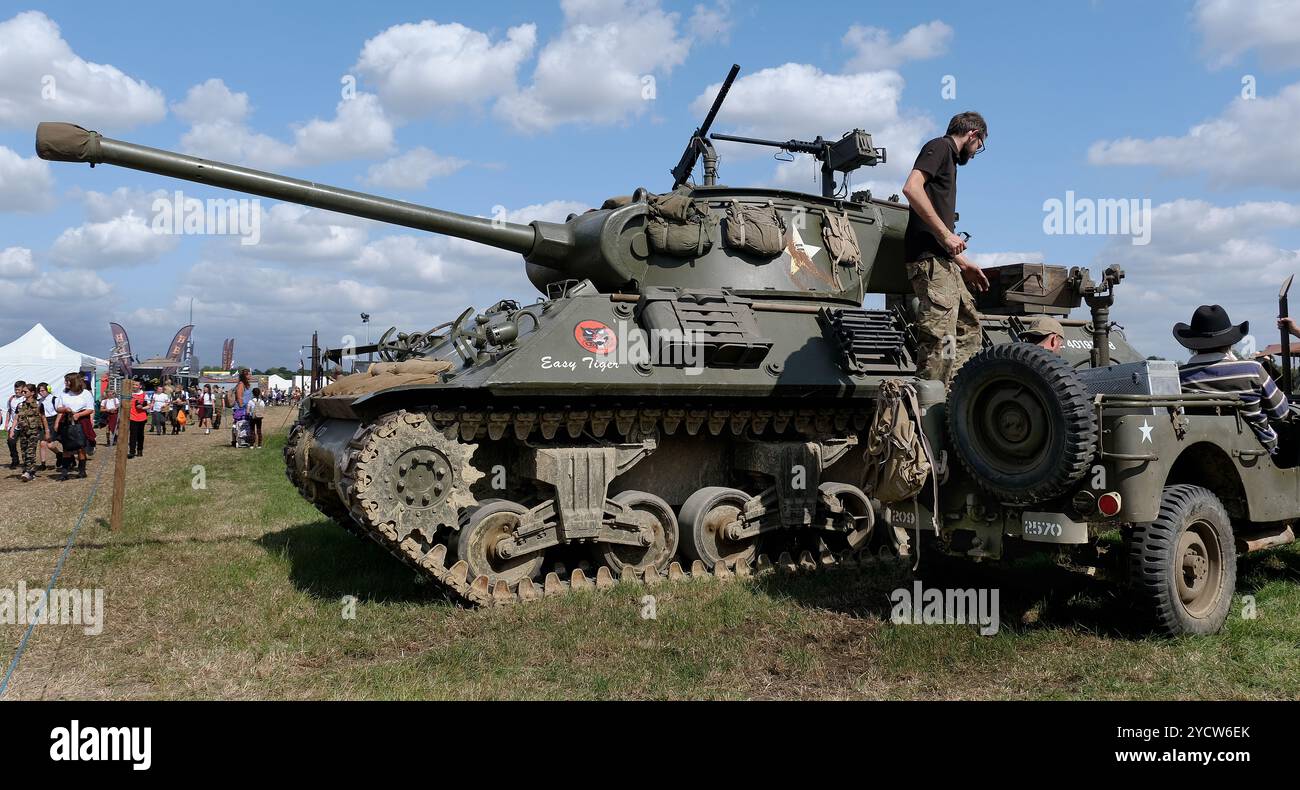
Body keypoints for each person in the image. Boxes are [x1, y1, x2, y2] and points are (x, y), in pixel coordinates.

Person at [901, 111, 991, 389]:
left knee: (968, 327)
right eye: (979, 145)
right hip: (929, 262)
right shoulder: (939, 147)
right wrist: (946, 234)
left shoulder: (949, 159)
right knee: (940, 338)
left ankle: (953, 396)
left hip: (944, 261)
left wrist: (963, 263)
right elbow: (911, 188)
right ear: (973, 135)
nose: (976, 153)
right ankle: (927, 409)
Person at [1176, 304, 1291, 455]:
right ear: (1230, 342)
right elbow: (1281, 414)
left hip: (1195, 451)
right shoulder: (1252, 369)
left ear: (1193, 344)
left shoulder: (1179, 377)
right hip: (1253, 452)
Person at [54, 372, 96, 480]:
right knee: (66, 448)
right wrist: (65, 409)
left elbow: (90, 409)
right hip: (67, 422)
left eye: (67, 381)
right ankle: (64, 472)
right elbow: (58, 408)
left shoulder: (85, 393)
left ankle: (82, 471)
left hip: (82, 422)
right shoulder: (64, 393)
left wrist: (79, 414)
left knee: (81, 447)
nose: (65, 383)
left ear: (74, 381)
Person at [13, 383, 49, 482]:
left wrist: (47, 431)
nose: (23, 393)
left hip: (34, 431)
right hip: (23, 432)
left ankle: (28, 472)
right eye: (23, 391)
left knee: (30, 451)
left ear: (32, 393)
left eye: (25, 391)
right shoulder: (20, 405)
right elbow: (16, 418)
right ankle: (29, 471)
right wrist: (12, 430)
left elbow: (43, 418)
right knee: (24, 452)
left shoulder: (39, 405)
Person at [5, 380, 24, 469]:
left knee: (25, 444)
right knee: (10, 441)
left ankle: (27, 462)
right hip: (13, 425)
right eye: (15, 389)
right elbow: (9, 411)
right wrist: (6, 423)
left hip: (24, 425)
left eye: (18, 389)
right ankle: (15, 459)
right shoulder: (11, 399)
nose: (16, 391)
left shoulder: (26, 399)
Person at [127, 379, 149, 459]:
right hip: (132, 417)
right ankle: (132, 452)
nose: (134, 386)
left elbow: (149, 405)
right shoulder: (129, 394)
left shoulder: (144, 394)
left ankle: (140, 450)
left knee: (140, 435)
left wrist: (142, 407)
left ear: (140, 386)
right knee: (132, 435)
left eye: (136, 385)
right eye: (133, 385)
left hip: (141, 417)